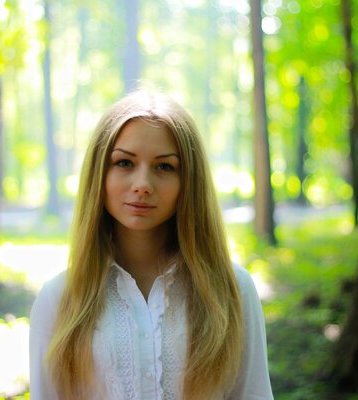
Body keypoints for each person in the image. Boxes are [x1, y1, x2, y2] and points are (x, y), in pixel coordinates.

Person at [30, 91, 273, 400]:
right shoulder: (59, 297)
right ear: (99, 175)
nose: (142, 184)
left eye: (164, 167)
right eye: (124, 162)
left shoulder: (233, 289)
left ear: (189, 181)